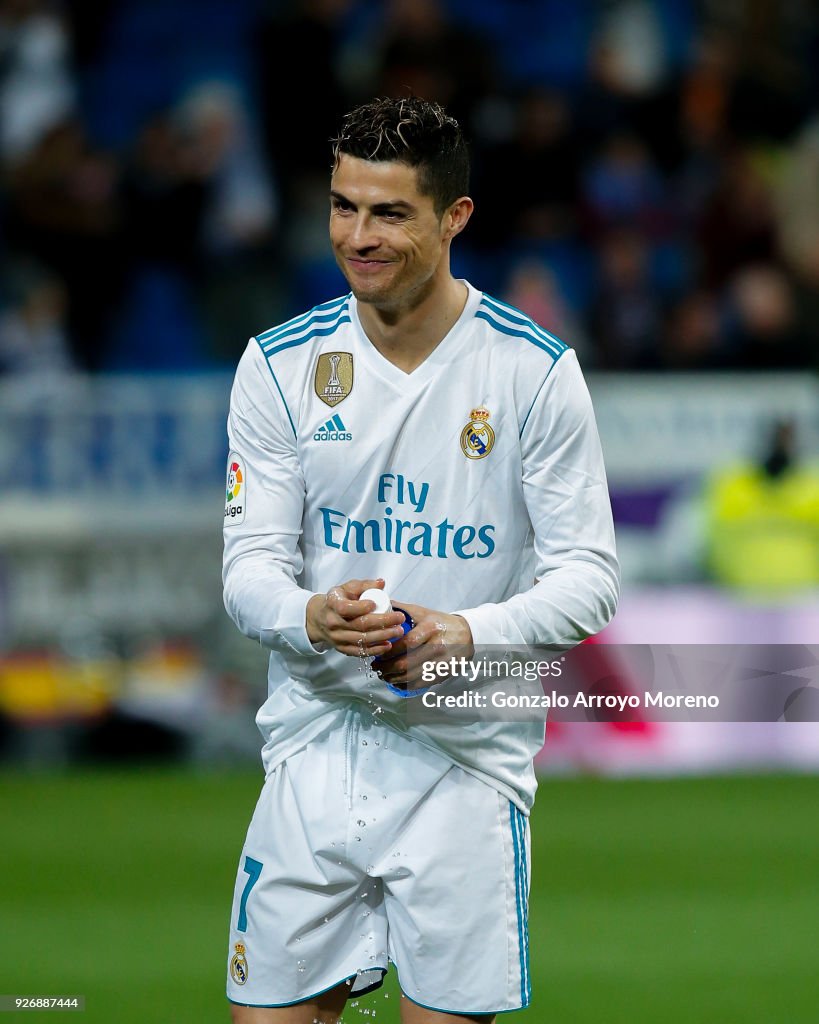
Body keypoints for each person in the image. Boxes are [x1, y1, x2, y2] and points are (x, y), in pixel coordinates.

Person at [222, 96, 619, 1023]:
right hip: (315, 747)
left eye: (389, 213)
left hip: (464, 761)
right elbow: (247, 570)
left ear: (453, 217)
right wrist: (307, 614)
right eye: (343, 206)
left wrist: (464, 633)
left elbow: (589, 579)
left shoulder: (531, 372)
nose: (357, 237)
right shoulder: (279, 366)